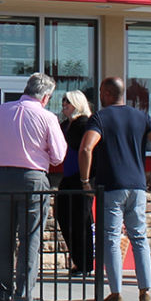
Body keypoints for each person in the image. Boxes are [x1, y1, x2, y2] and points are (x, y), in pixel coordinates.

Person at [78, 77, 151, 301]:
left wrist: (85, 180)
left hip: (112, 186)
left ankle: (116, 292)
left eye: (101, 92)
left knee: (110, 238)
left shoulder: (100, 117)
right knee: (139, 237)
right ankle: (145, 291)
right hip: (137, 185)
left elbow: (87, 148)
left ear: (108, 93)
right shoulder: (141, 116)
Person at [0, 72, 67, 301]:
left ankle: (2, 290)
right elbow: (59, 156)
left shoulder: (1, 111)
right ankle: (23, 292)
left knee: (2, 237)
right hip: (33, 178)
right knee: (31, 237)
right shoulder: (48, 117)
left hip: (2, 176)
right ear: (45, 97)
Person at [53, 90, 96, 275]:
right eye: (63, 102)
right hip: (67, 177)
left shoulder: (85, 124)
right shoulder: (64, 125)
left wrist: (87, 180)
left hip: (83, 178)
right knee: (63, 215)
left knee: (82, 221)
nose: (64, 106)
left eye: (68, 102)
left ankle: (85, 263)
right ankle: (77, 259)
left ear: (77, 103)